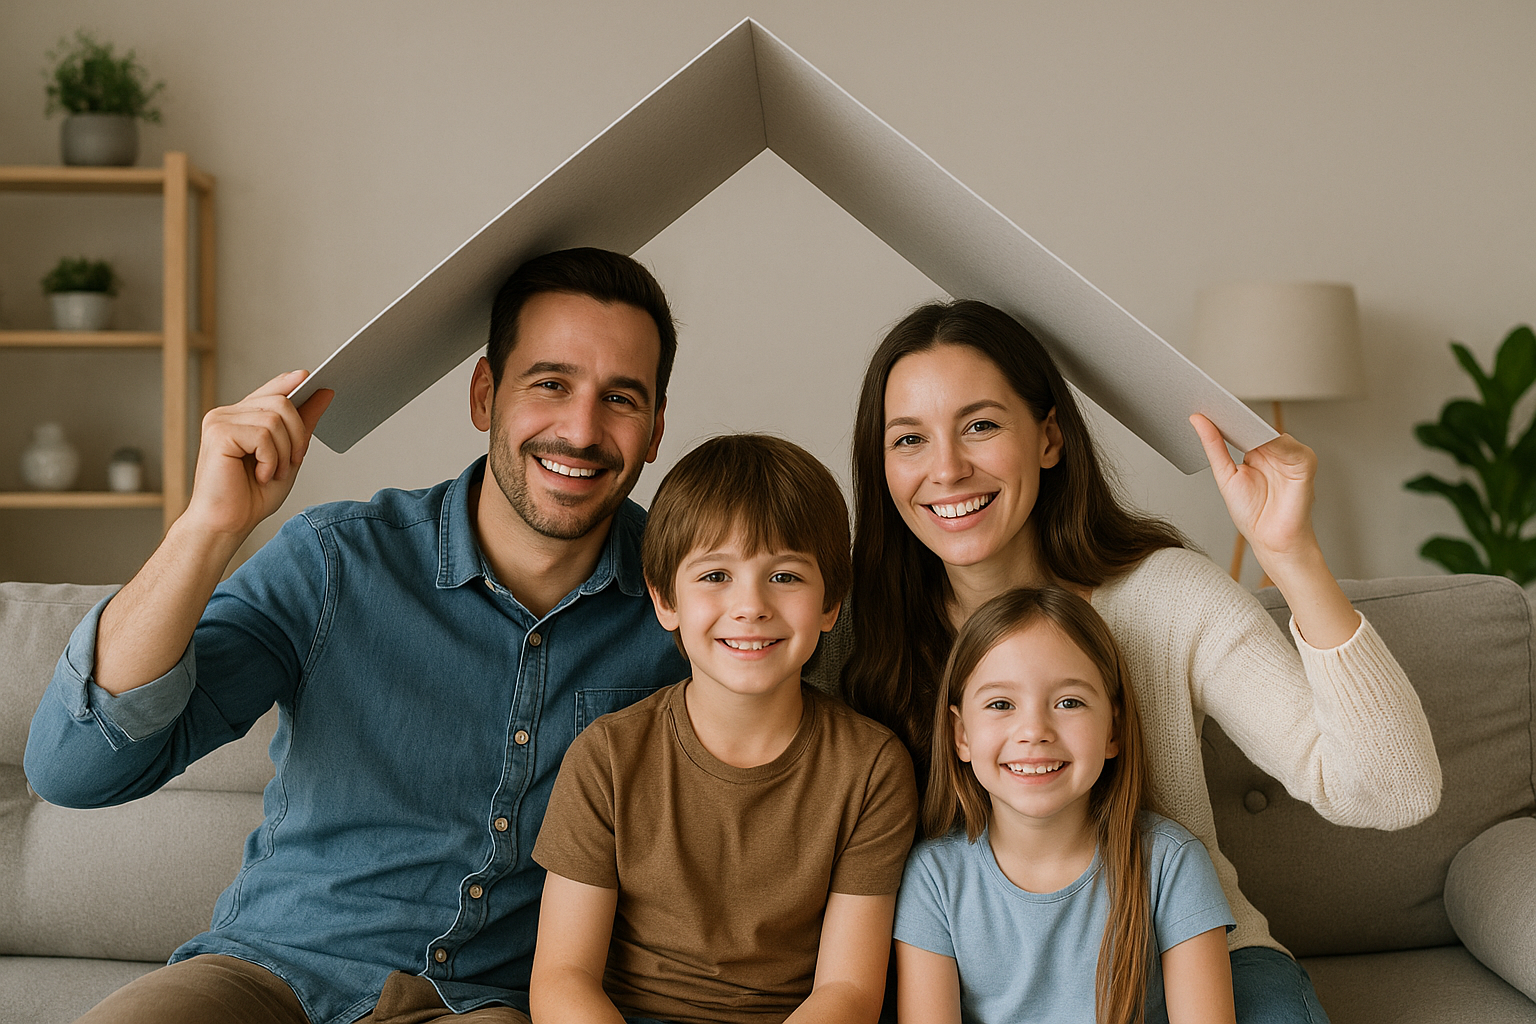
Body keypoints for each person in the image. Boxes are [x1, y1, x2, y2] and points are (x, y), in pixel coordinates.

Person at [24, 248, 692, 1024]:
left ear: (654, 429)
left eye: (621, 398)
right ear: (484, 394)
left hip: (483, 1005)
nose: (580, 430)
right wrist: (208, 528)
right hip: (269, 975)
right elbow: (73, 770)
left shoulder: (692, 603)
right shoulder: (337, 560)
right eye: (550, 384)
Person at [833, 299, 1442, 1022]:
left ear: (1049, 438)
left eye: (981, 426)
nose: (947, 469)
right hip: (982, 985)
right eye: (909, 439)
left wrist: (1292, 555)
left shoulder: (1167, 596)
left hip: (1195, 960)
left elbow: (1395, 792)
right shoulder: (851, 626)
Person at [529, 434, 918, 1024]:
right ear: (666, 600)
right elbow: (563, 979)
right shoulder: (607, 757)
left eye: (785, 577)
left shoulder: (871, 767)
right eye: (715, 576)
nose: (751, 606)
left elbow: (848, 991)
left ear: (831, 603)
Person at [895, 586, 1235, 1024]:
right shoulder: (933, 880)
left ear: (1113, 730)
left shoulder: (1170, 864)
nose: (1034, 730)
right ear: (961, 735)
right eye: (1001, 704)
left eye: (1069, 702)